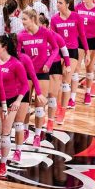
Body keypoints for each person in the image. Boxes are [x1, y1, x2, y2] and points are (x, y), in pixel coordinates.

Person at [17, 9, 57, 145]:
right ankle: (26, 130)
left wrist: (49, 62)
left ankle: (38, 135)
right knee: (25, 105)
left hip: (42, 72)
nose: (22, 22)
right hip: (27, 73)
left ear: (33, 19)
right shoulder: (21, 35)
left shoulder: (45, 32)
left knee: (40, 106)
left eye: (24, 19)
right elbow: (17, 54)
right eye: (22, 19)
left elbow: (55, 48)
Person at [0, 34, 29, 175]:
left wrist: (18, 101)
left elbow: (25, 85)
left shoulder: (16, 63)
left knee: (5, 133)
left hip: (10, 100)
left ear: (4, 47)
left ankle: (3, 163)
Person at [51, 0, 89, 118]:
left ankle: (62, 110)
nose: (57, 5)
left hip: (72, 51)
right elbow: (52, 39)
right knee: (58, 81)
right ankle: (57, 105)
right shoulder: (54, 19)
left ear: (67, 4)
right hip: (59, 52)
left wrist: (87, 52)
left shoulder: (76, 16)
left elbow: (82, 35)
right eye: (57, 2)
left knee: (66, 80)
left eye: (60, 3)